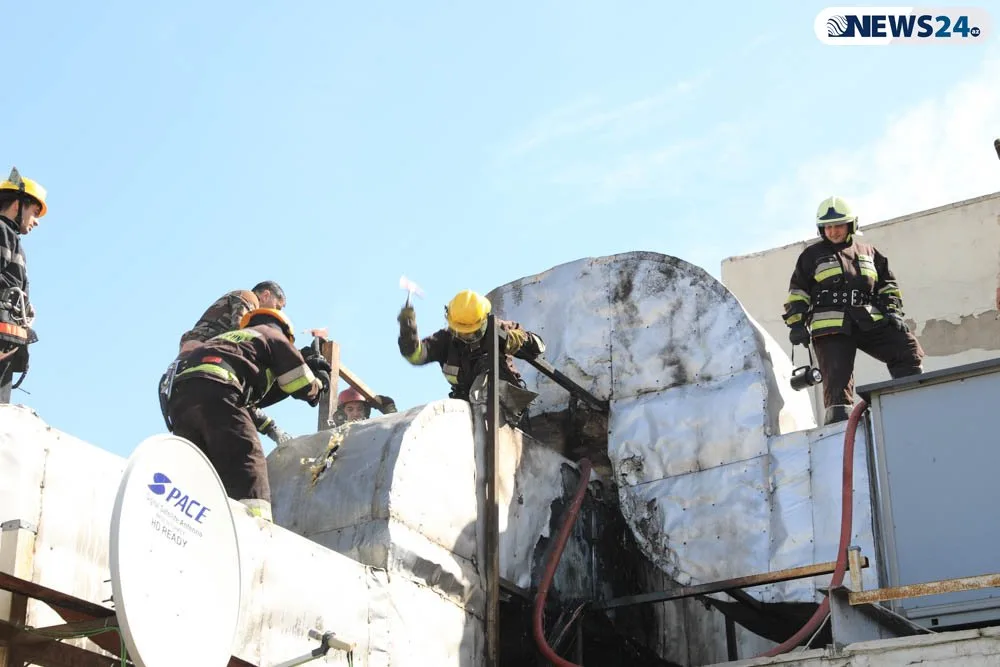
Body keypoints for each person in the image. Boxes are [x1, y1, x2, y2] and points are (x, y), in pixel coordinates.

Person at [165, 307, 332, 522]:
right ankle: (254, 526)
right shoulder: (272, 335)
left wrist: (271, 426)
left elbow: (245, 401)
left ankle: (191, 524)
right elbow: (300, 383)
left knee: (199, 471)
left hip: (181, 401)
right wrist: (318, 384)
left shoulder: (229, 341)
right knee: (246, 457)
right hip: (218, 392)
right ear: (286, 333)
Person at [782, 196, 924, 425]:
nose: (834, 231)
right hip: (831, 327)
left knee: (906, 347)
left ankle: (913, 401)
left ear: (851, 225)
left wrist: (892, 311)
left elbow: (887, 285)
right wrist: (797, 324)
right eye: (828, 227)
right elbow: (798, 292)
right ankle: (841, 429)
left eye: (838, 225)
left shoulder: (869, 251)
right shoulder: (811, 256)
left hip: (868, 319)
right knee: (838, 381)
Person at [159, 281, 292, 443]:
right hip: (199, 374)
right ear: (266, 295)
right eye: (277, 307)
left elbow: (238, 398)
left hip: (182, 388)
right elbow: (244, 335)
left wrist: (271, 427)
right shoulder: (248, 297)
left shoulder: (220, 357)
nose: (276, 314)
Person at [397, 289, 545, 401]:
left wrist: (522, 339)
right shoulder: (444, 341)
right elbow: (416, 355)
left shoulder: (498, 329)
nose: (467, 337)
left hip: (505, 405)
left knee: (487, 362)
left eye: (472, 332)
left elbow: (539, 347)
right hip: (466, 410)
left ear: (483, 320)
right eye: (461, 332)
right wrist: (407, 329)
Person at [0, 167, 47, 403]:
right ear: (18, 206)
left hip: (7, 341)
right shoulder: (1, 232)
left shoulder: (10, 238)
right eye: (35, 212)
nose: (36, 221)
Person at [333, 386, 397, 425]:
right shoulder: (333, 436)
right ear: (342, 413)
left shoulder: (373, 434)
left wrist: (390, 411)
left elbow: (394, 430)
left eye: (360, 409)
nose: (355, 414)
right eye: (350, 409)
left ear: (365, 412)